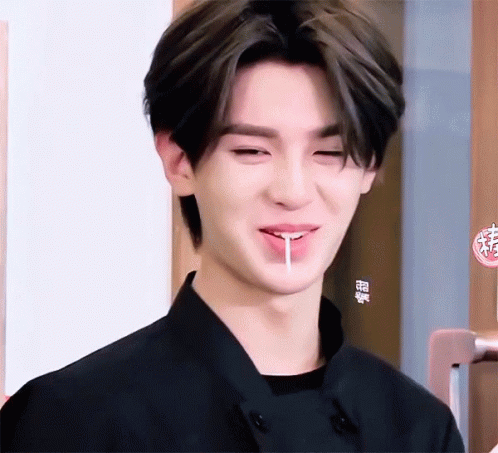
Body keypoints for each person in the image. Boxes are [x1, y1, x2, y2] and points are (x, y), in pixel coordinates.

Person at [1, 0, 465, 451]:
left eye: (329, 153)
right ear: (179, 160)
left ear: (369, 167)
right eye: (251, 151)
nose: (293, 191)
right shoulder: (72, 420)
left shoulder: (418, 428)